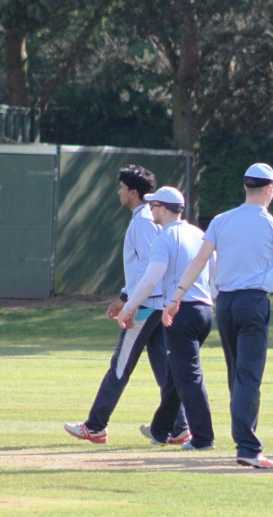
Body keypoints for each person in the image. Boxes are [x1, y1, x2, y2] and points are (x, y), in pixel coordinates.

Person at [164, 163, 273, 469]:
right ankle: (247, 447)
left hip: (226, 304)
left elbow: (198, 263)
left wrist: (175, 298)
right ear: (269, 190)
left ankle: (244, 442)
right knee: (249, 376)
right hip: (253, 303)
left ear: (246, 187)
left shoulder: (221, 220)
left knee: (238, 376)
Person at [64, 166, 189, 445]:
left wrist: (130, 304)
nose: (118, 192)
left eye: (121, 188)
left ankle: (95, 426)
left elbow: (150, 267)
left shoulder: (143, 219)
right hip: (155, 305)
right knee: (164, 370)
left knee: (120, 366)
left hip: (147, 306)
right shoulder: (146, 217)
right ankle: (180, 427)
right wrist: (124, 295)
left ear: (134, 192)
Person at [117, 186, 216, 451]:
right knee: (176, 373)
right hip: (205, 310)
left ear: (163, 209)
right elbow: (214, 269)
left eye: (153, 206)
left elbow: (151, 279)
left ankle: (203, 439)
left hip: (180, 311)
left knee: (189, 376)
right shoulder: (198, 234)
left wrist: (129, 307)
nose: (150, 211)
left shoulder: (164, 237)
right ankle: (160, 431)